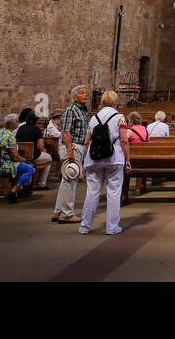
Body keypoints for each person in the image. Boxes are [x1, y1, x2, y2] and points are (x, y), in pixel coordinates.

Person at [79, 90, 127, 235]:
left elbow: (87, 141)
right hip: (114, 158)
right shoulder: (120, 117)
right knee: (113, 193)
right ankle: (112, 227)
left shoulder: (93, 118)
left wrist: (83, 160)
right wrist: (128, 159)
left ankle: (85, 226)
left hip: (94, 158)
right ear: (115, 102)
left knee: (92, 192)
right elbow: (124, 140)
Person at [52, 84, 90, 225]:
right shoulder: (71, 110)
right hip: (72, 147)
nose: (85, 95)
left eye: (86, 93)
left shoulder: (83, 110)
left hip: (77, 146)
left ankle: (58, 211)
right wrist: (70, 151)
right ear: (74, 96)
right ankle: (67, 214)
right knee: (70, 180)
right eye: (81, 93)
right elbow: (66, 132)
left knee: (66, 180)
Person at [0, 113, 35, 203]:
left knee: (22, 167)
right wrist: (25, 160)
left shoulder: (0, 132)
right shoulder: (9, 136)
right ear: (12, 124)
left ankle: (17, 192)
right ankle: (13, 192)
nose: (18, 122)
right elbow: (15, 157)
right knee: (30, 169)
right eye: (16, 121)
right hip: (6, 164)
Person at [16, 110, 52, 190]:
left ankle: (28, 183)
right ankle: (42, 183)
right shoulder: (36, 130)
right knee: (49, 157)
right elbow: (40, 146)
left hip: (20, 154)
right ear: (36, 120)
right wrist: (44, 150)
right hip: (33, 155)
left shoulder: (20, 128)